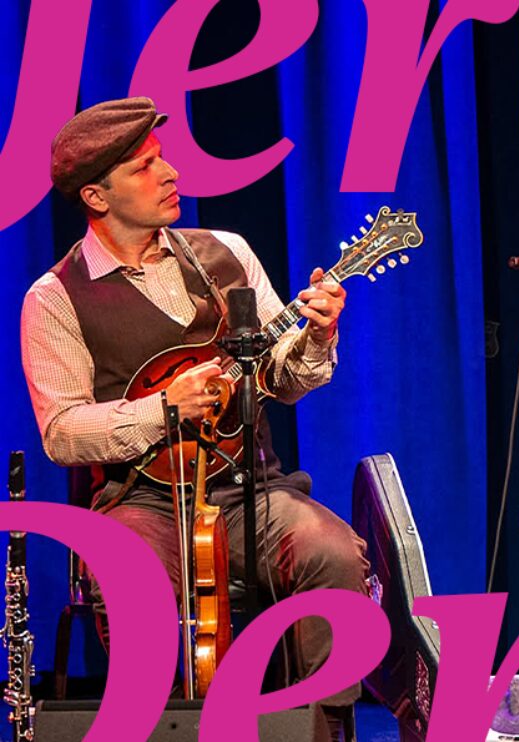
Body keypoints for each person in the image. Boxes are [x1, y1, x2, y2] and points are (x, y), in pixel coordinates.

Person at [20, 97, 368, 741]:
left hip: (249, 491)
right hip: (141, 499)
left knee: (334, 555)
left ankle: (322, 726)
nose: (171, 173)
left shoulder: (225, 255)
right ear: (96, 196)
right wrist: (161, 411)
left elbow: (282, 380)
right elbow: (61, 431)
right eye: (146, 167)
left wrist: (316, 337)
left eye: (164, 159)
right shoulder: (54, 297)